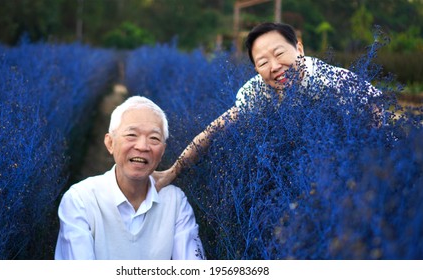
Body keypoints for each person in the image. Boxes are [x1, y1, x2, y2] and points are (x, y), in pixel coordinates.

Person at [153, 22, 382, 189]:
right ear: (256, 69)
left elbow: (375, 106)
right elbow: (214, 130)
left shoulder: (327, 80)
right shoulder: (257, 91)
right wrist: (173, 171)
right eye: (263, 62)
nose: (274, 66)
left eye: (280, 53)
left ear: (299, 49)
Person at [55, 96, 205, 260]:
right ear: (110, 143)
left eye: (154, 138)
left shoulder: (175, 202)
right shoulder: (80, 200)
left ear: (162, 151)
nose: (142, 146)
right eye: (131, 135)